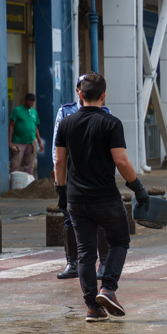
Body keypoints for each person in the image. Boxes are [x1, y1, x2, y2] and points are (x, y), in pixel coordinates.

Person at [54, 73, 145, 323]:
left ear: (80, 94)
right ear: (104, 96)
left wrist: (61, 191)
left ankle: (92, 308)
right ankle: (108, 288)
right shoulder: (111, 123)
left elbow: (59, 161)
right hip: (105, 197)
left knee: (85, 252)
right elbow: (121, 160)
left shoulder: (66, 123)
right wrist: (138, 188)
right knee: (120, 241)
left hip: (76, 198)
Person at [53, 77, 112, 281]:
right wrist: (60, 183)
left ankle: (103, 262)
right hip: (74, 176)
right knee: (71, 219)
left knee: (101, 217)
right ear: (79, 91)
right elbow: (58, 152)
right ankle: (73, 262)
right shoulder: (66, 112)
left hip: (95, 174)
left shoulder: (106, 114)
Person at [8, 92, 43, 177]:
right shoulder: (17, 110)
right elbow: (11, 126)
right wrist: (10, 142)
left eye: (32, 100)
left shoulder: (34, 112)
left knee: (30, 167)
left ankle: (28, 187)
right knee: (15, 165)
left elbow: (35, 128)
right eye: (29, 100)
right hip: (18, 142)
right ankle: (12, 186)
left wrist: (40, 142)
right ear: (25, 100)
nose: (31, 102)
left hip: (31, 142)